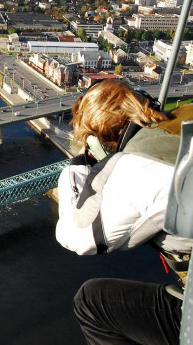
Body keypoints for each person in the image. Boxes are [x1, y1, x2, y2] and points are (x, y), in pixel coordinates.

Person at [55, 79, 193, 344]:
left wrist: (80, 166)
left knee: (92, 302)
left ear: (99, 140)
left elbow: (78, 238)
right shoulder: (182, 121)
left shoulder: (137, 167)